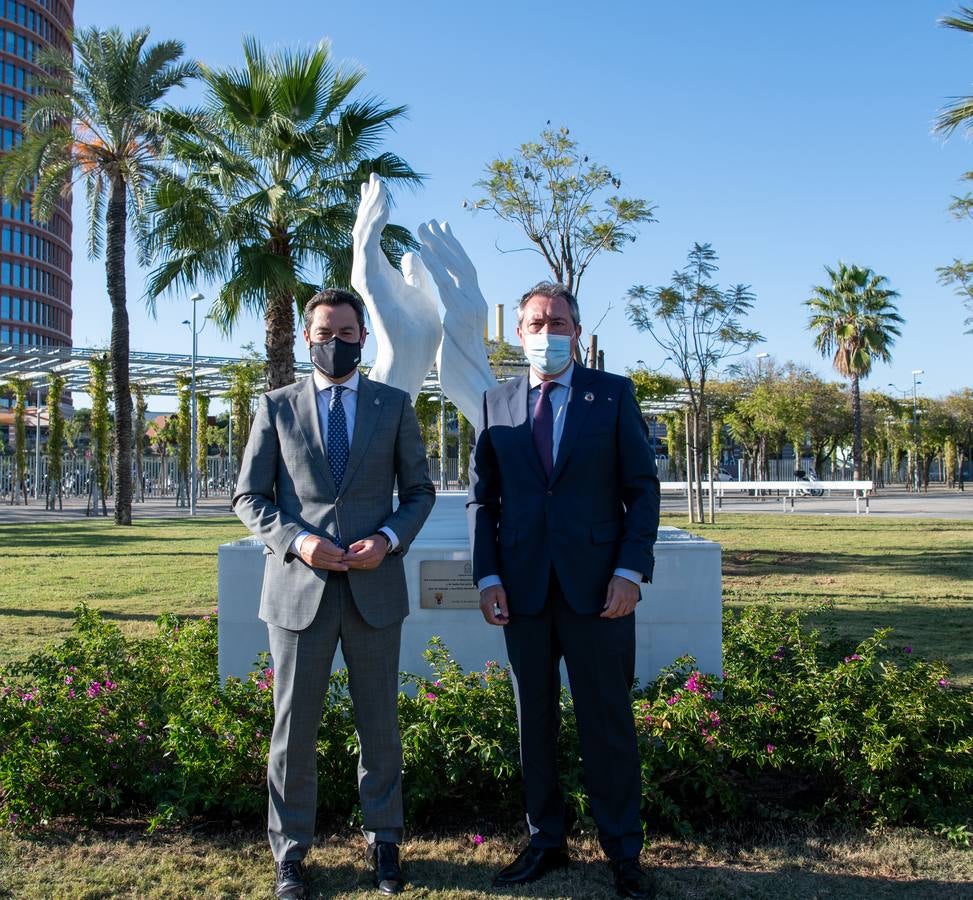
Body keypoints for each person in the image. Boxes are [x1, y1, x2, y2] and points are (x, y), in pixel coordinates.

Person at [233, 288, 435, 899]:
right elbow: (249, 498)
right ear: (306, 337)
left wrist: (390, 540)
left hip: (375, 588)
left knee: (380, 723)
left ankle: (385, 842)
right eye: (324, 332)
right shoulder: (275, 407)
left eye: (347, 332)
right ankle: (291, 853)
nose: (335, 342)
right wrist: (297, 542)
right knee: (293, 728)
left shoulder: (395, 406)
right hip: (300, 591)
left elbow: (419, 492)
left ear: (362, 337)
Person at [467, 282, 661, 899]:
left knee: (607, 722)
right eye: (535, 322)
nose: (546, 331)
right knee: (535, 724)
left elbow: (643, 489)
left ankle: (623, 850)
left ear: (576, 331)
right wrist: (488, 576)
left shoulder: (613, 395)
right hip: (522, 592)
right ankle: (545, 840)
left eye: (558, 321)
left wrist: (630, 572)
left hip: (601, 591)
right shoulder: (495, 402)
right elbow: (484, 499)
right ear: (518, 332)